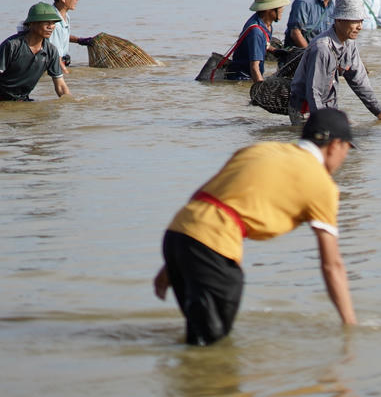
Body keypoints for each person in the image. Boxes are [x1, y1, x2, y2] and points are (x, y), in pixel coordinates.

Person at [152, 107, 359, 346]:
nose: (344, 158)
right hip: (213, 246)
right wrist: (349, 326)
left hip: (178, 233)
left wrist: (173, 262)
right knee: (213, 349)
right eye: (347, 150)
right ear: (335, 145)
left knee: (199, 339)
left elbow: (207, 194)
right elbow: (332, 264)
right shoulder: (322, 185)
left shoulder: (261, 149)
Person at [288, 0, 381, 125]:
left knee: (354, 131)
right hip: (307, 109)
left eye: (361, 21)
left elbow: (359, 80)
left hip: (329, 106)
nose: (360, 26)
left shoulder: (349, 43)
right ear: (338, 20)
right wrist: (321, 124)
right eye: (355, 21)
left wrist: (378, 110)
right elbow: (314, 91)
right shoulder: (322, 48)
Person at [0, 2, 71, 103]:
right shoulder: (12, 45)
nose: (51, 26)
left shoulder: (51, 51)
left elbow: (61, 86)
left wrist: (71, 106)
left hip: (21, 101)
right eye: (46, 22)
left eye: (53, 23)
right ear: (31, 24)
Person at [225, 0, 290, 82]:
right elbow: (254, 68)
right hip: (243, 79)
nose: (283, 9)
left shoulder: (266, 24)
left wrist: (274, 51)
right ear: (269, 9)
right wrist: (261, 90)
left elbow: (263, 43)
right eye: (280, 6)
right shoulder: (256, 31)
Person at [49, 0, 92, 69]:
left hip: (62, 63)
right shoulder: (54, 22)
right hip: (56, 65)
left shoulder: (65, 16)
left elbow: (60, 37)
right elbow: (56, 58)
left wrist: (79, 40)